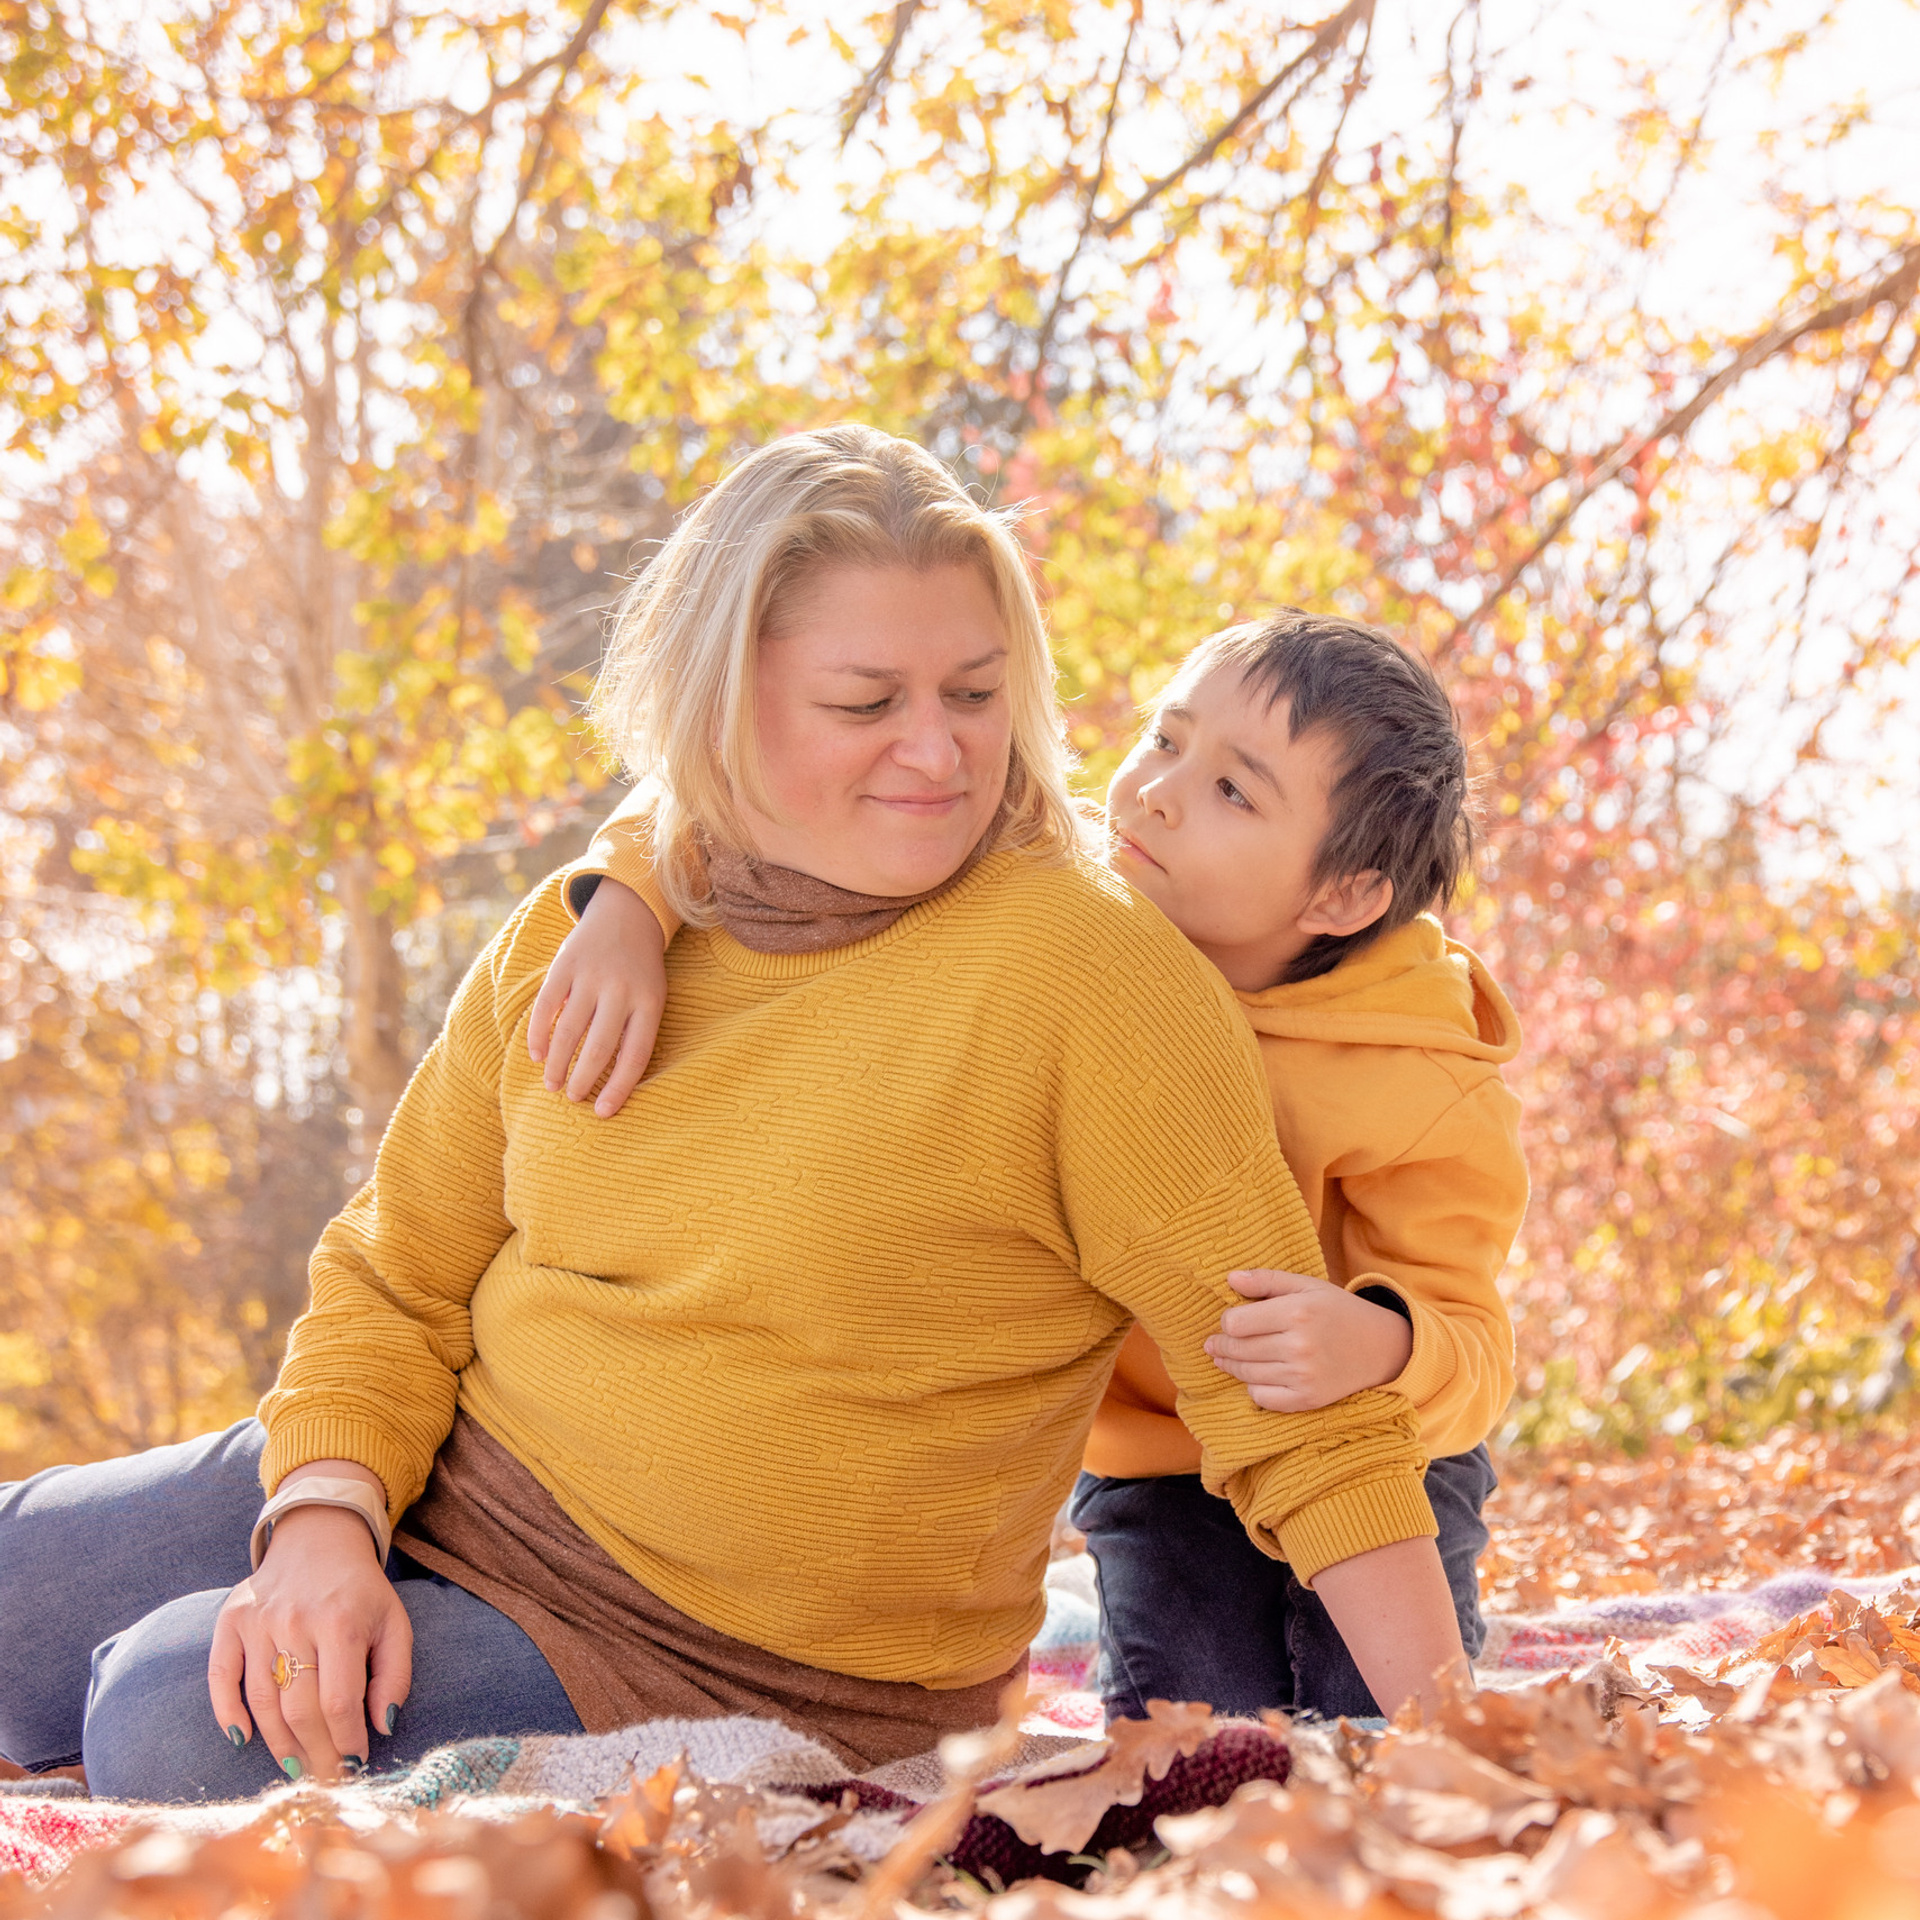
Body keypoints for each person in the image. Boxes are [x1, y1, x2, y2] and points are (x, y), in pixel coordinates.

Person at [0, 429, 1462, 1806]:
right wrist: (323, 1522)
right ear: (720, 696)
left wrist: (1467, 1741)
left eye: (973, 690)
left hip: (737, 1655)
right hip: (462, 1474)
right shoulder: (596, 924)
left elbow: (1295, 1414)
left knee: (165, 1717)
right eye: (864, 702)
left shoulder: (1096, 978)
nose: (940, 754)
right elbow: (398, 1273)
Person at [536, 609, 1526, 1723]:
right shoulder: (1056, 887)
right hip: (1164, 1462)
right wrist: (625, 898)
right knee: (1191, 1737)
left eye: (1234, 791)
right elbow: (774, 791)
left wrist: (1382, 1340)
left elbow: (1476, 1341)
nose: (1154, 790)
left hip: (1382, 1452)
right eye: (1164, 738)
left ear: (1340, 895)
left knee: (1372, 1720)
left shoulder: (1421, 1076)